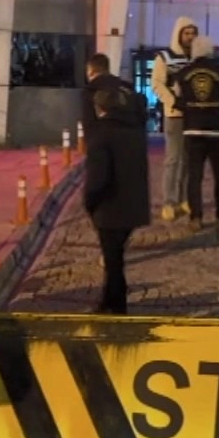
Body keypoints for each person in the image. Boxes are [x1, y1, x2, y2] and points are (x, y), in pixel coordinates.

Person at [84, 84, 151, 314]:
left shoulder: (100, 134)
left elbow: (98, 177)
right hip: (133, 204)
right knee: (114, 257)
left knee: (113, 260)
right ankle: (109, 301)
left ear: (100, 108)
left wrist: (90, 202)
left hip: (109, 207)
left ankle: (118, 306)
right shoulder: (135, 129)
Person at [174, 36, 219, 230]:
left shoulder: (183, 73)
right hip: (218, 131)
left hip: (193, 131)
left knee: (194, 177)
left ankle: (196, 217)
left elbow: (178, 100)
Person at [151, 17, 198, 221]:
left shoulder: (197, 58)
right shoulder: (165, 57)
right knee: (173, 158)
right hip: (175, 115)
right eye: (186, 33)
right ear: (179, 34)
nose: (190, 37)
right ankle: (169, 202)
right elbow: (156, 83)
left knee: (188, 159)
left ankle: (183, 199)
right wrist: (173, 101)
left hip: (194, 116)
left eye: (193, 33)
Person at [81, 53, 130, 139]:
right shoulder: (127, 87)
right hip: (131, 141)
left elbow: (88, 124)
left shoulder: (91, 89)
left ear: (90, 71)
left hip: (103, 141)